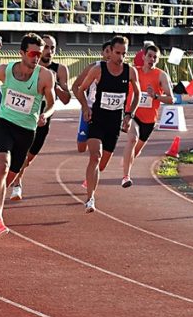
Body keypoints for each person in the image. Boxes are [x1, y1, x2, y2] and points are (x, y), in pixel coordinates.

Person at [0, 33, 56, 235]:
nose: (36, 57)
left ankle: (0, 183)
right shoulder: (5, 70)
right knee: (2, 167)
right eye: (32, 53)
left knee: (9, 176)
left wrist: (45, 114)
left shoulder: (46, 76)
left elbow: (52, 103)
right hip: (5, 125)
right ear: (22, 53)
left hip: (27, 132)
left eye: (39, 53)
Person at [73, 35, 139, 213]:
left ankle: (91, 181)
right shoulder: (98, 69)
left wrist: (129, 115)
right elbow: (80, 90)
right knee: (95, 156)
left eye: (124, 54)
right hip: (97, 119)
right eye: (118, 53)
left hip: (115, 122)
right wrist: (86, 107)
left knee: (102, 164)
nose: (121, 57)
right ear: (109, 52)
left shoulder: (130, 71)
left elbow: (137, 95)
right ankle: (90, 199)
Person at [8, 33, 70, 200]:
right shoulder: (28, 67)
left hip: (43, 118)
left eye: (53, 48)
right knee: (18, 153)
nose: (49, 52)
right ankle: (17, 183)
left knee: (28, 157)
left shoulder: (60, 70)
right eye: (47, 48)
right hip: (24, 116)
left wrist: (53, 85)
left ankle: (15, 176)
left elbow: (66, 99)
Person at [122, 44, 173, 186]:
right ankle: (126, 176)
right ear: (143, 56)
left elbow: (171, 99)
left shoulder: (161, 75)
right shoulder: (133, 72)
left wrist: (156, 96)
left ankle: (127, 164)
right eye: (149, 56)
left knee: (135, 151)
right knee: (132, 139)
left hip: (149, 120)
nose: (152, 59)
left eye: (155, 57)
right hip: (133, 113)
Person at [76, 42, 112, 154]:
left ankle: (94, 166)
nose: (110, 55)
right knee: (81, 148)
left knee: (100, 150)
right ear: (102, 53)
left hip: (107, 112)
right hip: (90, 109)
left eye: (112, 52)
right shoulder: (93, 67)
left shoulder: (121, 71)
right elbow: (75, 86)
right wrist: (85, 106)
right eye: (107, 51)